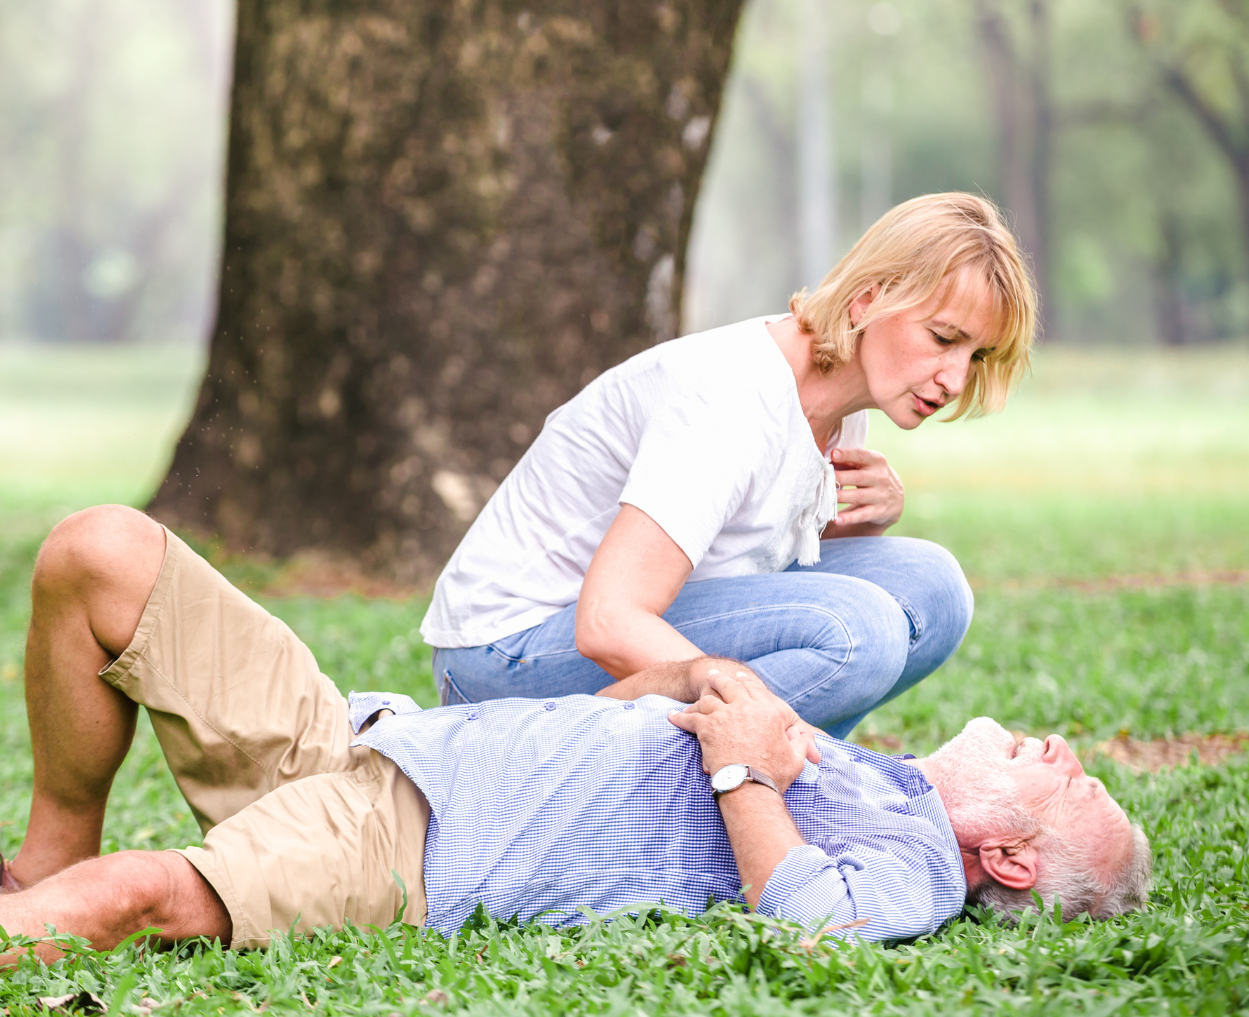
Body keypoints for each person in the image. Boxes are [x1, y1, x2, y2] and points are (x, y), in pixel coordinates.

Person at [0, 508, 1150, 988]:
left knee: (144, 894)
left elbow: (816, 936)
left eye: (1069, 780)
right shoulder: (867, 776)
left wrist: (742, 755)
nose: (1061, 743)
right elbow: (640, 704)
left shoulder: (911, 867)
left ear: (1009, 853)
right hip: (377, 736)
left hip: (417, 848)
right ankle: (34, 853)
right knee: (99, 554)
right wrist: (707, 696)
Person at [425, 192, 1037, 738]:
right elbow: (608, 621)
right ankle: (743, 783)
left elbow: (737, 549)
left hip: (610, 620)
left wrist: (851, 522)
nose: (956, 379)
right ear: (868, 300)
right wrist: (749, 712)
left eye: (977, 356)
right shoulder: (732, 397)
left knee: (934, 586)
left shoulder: (844, 400)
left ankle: (765, 784)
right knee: (860, 631)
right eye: (943, 337)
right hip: (499, 660)